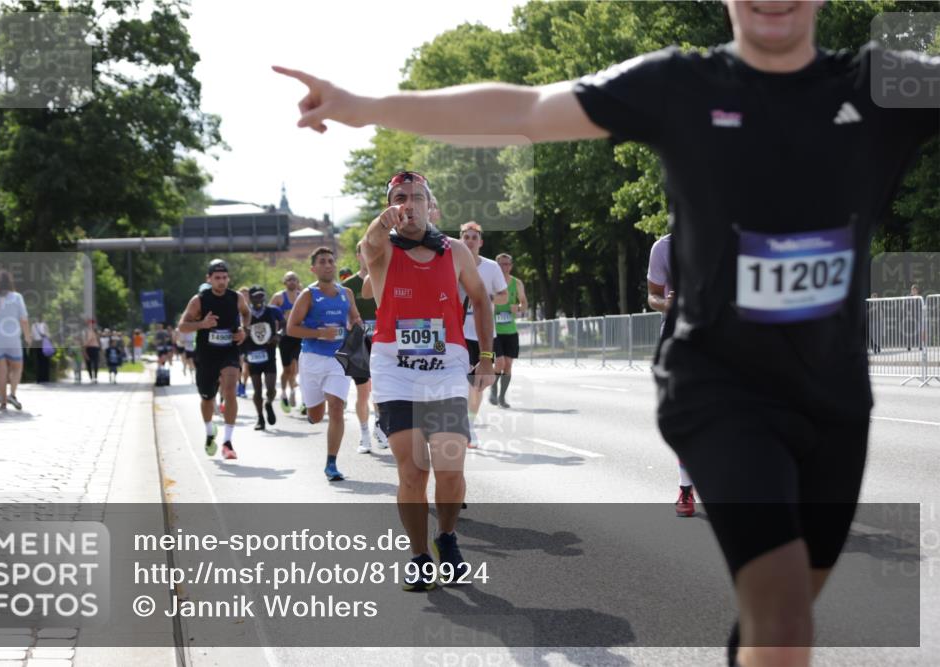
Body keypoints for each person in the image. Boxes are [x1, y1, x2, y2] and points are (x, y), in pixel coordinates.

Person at [274, 9, 939, 661]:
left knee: (788, 616)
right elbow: (525, 110)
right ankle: (429, 549)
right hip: (723, 387)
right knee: (785, 608)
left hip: (834, 394)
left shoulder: (881, 86)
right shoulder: (683, 85)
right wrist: (366, 105)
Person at [362, 170, 494, 590]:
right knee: (413, 471)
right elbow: (368, 244)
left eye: (417, 196)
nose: (409, 203)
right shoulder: (382, 252)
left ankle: (447, 537)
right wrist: (384, 223)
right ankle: (419, 555)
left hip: (447, 368)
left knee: (450, 469)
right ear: (389, 205)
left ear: (431, 206)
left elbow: (480, 298)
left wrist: (486, 356)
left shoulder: (455, 251)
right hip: (394, 370)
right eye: (400, 196)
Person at [286, 246, 361, 481]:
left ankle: (331, 463)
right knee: (317, 416)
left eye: (331, 260)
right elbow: (291, 328)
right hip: (312, 359)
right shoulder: (308, 295)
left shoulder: (346, 293)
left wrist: (357, 325)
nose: (328, 265)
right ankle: (310, 411)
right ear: (314, 268)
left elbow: (355, 317)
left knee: (337, 408)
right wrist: (319, 333)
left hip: (339, 359)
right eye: (322, 262)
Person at [178, 259, 251, 460]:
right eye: (217, 278)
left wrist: (244, 330)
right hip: (206, 353)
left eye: (224, 278)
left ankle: (228, 442)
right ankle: (210, 431)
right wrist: (202, 324)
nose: (221, 282)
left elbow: (246, 314)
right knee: (207, 397)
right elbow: (182, 326)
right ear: (209, 279)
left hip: (229, 350)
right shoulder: (199, 300)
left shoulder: (236, 298)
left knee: (229, 390)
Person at [647, 233, 697, 517]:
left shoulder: (728, 237)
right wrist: (666, 303)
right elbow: (652, 295)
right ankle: (686, 489)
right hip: (678, 333)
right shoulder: (663, 247)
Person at [457, 222, 507, 448]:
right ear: (460, 239)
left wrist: (484, 301)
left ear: (480, 242)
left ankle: (469, 425)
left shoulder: (491, 267)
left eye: (473, 237)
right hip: (459, 332)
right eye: (465, 237)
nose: (469, 241)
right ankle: (461, 424)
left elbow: (504, 297)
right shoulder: (452, 263)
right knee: (462, 383)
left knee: (477, 385)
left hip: (485, 334)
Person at [342, 242, 387, 452]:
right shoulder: (349, 284)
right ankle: (364, 435)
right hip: (359, 342)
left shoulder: (383, 277)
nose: (368, 256)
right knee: (362, 392)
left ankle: (380, 429)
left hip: (381, 340)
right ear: (358, 255)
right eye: (363, 252)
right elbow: (344, 315)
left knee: (379, 390)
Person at [0, 269, 33, 410]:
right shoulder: (17, 297)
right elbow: (24, 319)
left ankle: (3, 402)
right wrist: (27, 336)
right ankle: (12, 394)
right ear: (10, 282)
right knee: (17, 366)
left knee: (1, 369)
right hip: (12, 338)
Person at [243, 285, 285, 431]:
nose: (259, 299)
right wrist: (244, 333)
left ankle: (268, 403)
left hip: (269, 354)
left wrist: (278, 335)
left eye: (261, 295)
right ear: (250, 297)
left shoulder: (273, 310)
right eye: (256, 296)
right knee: (257, 390)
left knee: (272, 388)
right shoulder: (245, 313)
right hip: (253, 354)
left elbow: (284, 325)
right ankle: (260, 418)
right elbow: (237, 329)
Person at [490, 253, 527, 409]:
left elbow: (524, 305)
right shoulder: (491, 284)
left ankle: (502, 397)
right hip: (494, 331)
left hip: (510, 330)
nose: (504, 267)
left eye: (507, 264)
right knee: (499, 363)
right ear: (496, 266)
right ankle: (493, 388)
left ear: (511, 266)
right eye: (501, 264)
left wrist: (517, 308)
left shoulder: (517, 283)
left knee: (508, 365)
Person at [273, 271, 303, 413]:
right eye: (289, 279)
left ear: (298, 282)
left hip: (299, 336)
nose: (292, 282)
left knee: (296, 367)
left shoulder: (303, 296)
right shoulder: (279, 297)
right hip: (285, 337)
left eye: (294, 279)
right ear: (284, 282)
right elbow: (269, 314)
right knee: (286, 370)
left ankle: (293, 393)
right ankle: (284, 392)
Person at [30, 313, 52, 384]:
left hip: (38, 343)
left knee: (39, 361)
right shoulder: (44, 325)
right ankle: (44, 378)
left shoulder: (34, 325)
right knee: (43, 361)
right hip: (42, 343)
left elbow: (32, 336)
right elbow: (48, 334)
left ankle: (40, 378)